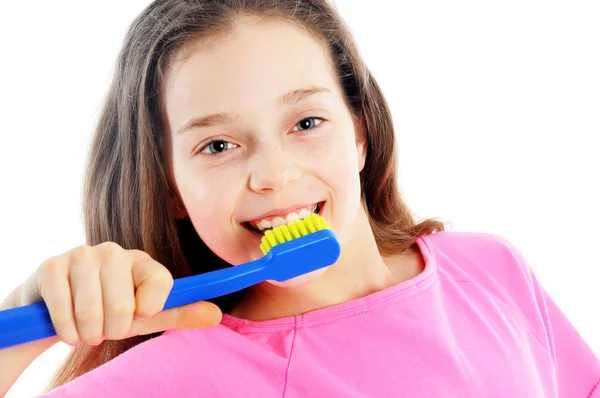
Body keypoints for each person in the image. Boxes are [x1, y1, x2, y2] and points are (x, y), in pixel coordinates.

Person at [1, 0, 599, 396]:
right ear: (170, 188)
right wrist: (18, 330)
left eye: (306, 123)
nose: (274, 173)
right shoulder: (176, 378)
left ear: (359, 131)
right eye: (217, 145)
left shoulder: (492, 269)